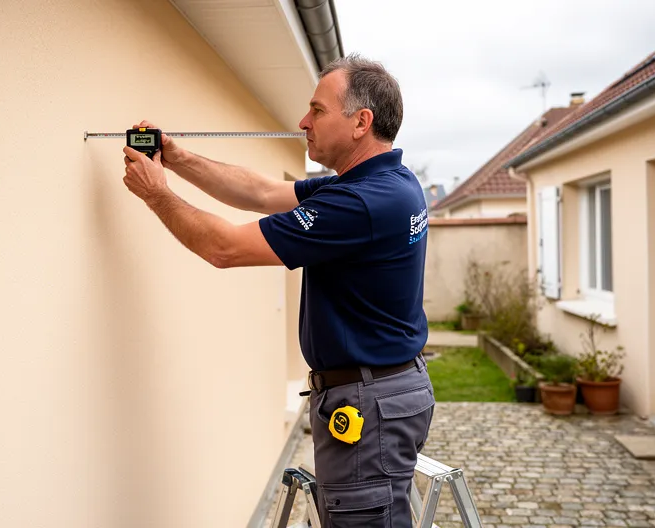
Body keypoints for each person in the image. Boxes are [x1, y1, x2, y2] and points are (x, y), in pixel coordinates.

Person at [121, 53, 434, 527]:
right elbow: (263, 193)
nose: (303, 121)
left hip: (369, 403)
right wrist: (177, 158)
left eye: (318, 110)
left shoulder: (362, 203)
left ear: (360, 122)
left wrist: (156, 193)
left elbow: (225, 248)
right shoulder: (383, 182)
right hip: (382, 390)